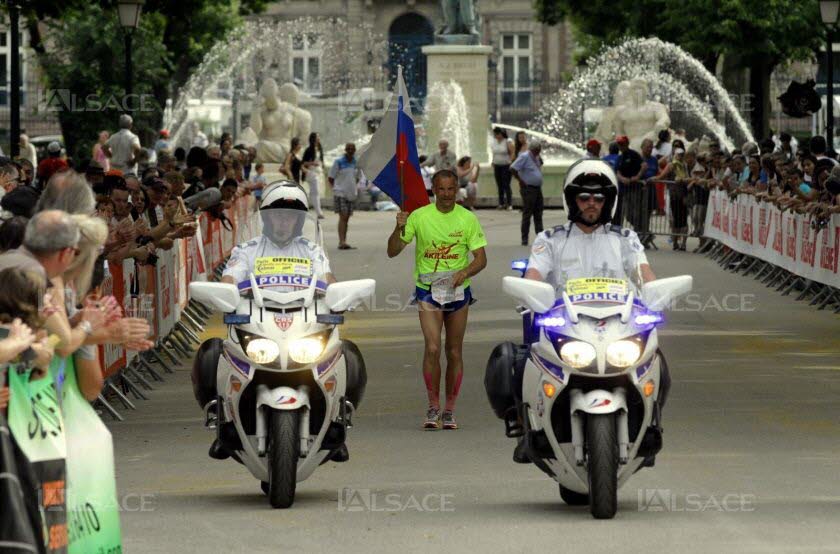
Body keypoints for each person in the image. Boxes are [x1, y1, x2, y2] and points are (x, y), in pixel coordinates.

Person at [521, 158, 662, 462]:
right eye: (584, 197)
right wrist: (528, 290)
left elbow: (644, 273)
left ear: (608, 201)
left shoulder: (625, 239)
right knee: (518, 362)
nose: (591, 204)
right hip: (566, 326)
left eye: (598, 198)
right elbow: (533, 275)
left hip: (618, 325)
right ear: (572, 199)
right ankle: (527, 430)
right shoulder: (550, 239)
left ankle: (650, 426)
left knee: (657, 360)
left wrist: (657, 293)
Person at [386, 169, 487, 430]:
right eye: (441, 189)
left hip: (458, 292)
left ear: (457, 189)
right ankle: (433, 405)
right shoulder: (419, 216)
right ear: (433, 190)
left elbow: (481, 259)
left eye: (451, 189)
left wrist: (464, 272)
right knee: (432, 348)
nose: (446, 194)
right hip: (428, 291)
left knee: (454, 351)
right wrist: (398, 227)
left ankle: (449, 410)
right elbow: (392, 251)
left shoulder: (467, 219)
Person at [511, 141, 544, 246]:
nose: (538, 152)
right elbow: (513, 168)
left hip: (537, 189)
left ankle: (540, 237)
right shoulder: (524, 156)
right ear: (532, 149)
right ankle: (524, 239)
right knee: (528, 213)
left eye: (539, 150)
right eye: (537, 150)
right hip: (528, 189)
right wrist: (520, 180)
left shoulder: (536, 157)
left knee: (538, 213)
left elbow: (539, 165)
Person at [328, 142, 360, 250]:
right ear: (345, 150)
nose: (350, 151)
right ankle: (341, 241)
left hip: (350, 194)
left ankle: (343, 241)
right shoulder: (339, 162)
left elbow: (357, 178)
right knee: (343, 216)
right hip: (340, 193)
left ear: (354, 150)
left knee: (346, 218)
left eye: (352, 149)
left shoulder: (356, 163)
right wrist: (336, 188)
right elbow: (331, 177)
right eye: (348, 149)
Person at [302, 132, 325, 219]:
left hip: (319, 172)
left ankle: (305, 208)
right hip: (311, 172)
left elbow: (321, 160)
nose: (318, 139)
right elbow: (303, 163)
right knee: (315, 192)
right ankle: (319, 212)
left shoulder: (320, 149)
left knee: (314, 192)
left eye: (319, 137)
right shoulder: (308, 150)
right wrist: (312, 163)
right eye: (317, 137)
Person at [491, 127, 515, 209]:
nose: (496, 136)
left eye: (497, 134)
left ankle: (509, 203)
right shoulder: (494, 142)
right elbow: (494, 153)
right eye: (495, 134)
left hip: (506, 165)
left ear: (502, 133)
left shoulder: (508, 141)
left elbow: (513, 152)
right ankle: (501, 203)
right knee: (499, 184)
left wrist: (510, 162)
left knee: (506, 184)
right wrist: (493, 161)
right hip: (497, 165)